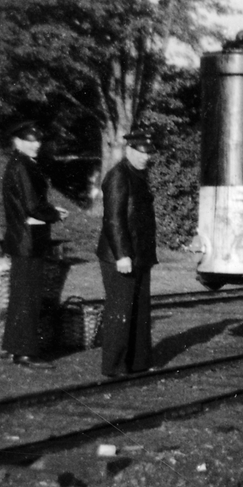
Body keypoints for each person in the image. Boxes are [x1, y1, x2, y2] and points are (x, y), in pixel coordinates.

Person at [1, 120, 68, 366]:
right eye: (30, 141)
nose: (36, 145)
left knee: (20, 295)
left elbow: (27, 203)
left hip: (23, 239)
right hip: (29, 240)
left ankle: (13, 347)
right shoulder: (24, 166)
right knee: (28, 297)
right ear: (17, 142)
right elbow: (32, 206)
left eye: (38, 140)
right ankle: (25, 352)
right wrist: (55, 214)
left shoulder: (18, 164)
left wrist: (50, 210)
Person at [96, 128, 159, 378]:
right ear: (129, 150)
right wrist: (122, 254)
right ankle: (114, 366)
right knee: (120, 310)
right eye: (141, 152)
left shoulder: (137, 174)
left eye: (148, 153)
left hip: (139, 254)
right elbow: (113, 219)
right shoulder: (119, 176)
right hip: (120, 256)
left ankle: (138, 362)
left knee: (140, 309)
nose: (145, 157)